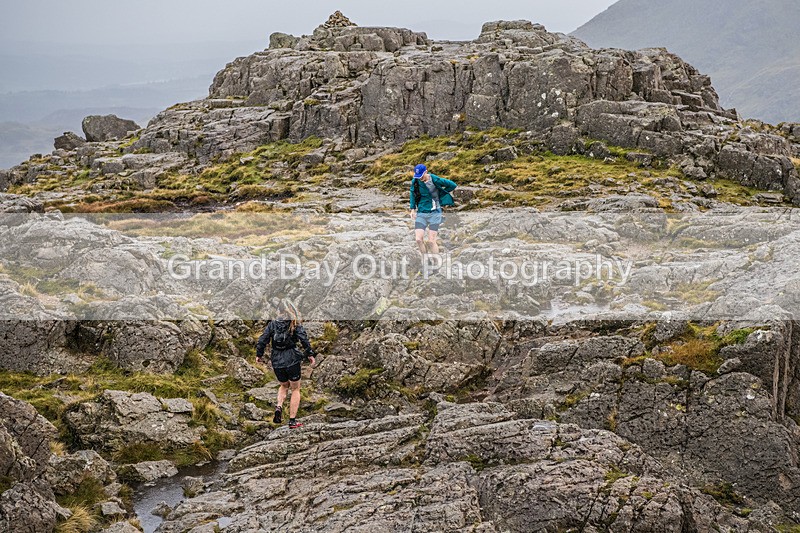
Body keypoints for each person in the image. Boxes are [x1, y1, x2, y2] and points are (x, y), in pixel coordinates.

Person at [255, 301, 316, 429]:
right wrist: (310, 354)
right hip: (292, 359)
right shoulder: (294, 323)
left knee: (283, 385)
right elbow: (304, 339)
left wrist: (259, 355)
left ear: (279, 311)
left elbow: (262, 340)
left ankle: (279, 406)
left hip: (276, 360)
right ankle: (292, 421)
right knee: (295, 388)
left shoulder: (272, 324)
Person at [409, 164, 457, 267]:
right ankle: (425, 260)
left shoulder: (434, 179)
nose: (420, 178)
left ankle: (437, 263)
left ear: (426, 171)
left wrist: (440, 193)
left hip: (435, 213)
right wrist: (412, 209)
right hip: (421, 212)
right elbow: (412, 193)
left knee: (431, 241)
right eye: (418, 176)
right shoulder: (416, 181)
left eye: (421, 175)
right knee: (418, 239)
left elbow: (452, 185)